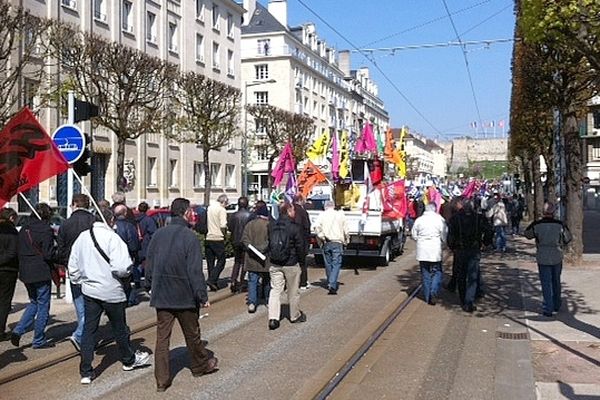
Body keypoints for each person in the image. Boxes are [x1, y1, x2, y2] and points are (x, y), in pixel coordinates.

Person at [68, 207, 150, 384]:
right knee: (119, 328)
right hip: (111, 291)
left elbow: (73, 266)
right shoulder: (113, 238)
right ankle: (128, 360)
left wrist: (81, 280)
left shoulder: (82, 238)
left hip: (90, 291)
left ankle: (86, 371)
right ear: (111, 220)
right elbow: (122, 267)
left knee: (89, 330)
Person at [145, 198, 217, 392]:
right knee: (192, 334)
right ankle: (200, 366)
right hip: (184, 295)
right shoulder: (190, 236)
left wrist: (149, 284)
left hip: (162, 295)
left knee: (162, 339)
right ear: (185, 213)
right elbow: (194, 270)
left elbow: (149, 263)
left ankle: (161, 380)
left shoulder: (158, 235)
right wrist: (202, 296)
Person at [11, 203, 57, 349]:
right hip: (41, 271)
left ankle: (18, 330)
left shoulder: (24, 228)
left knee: (33, 302)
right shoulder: (45, 229)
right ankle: (38, 339)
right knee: (43, 305)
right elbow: (49, 254)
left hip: (26, 272)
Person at [57, 193, 96, 351]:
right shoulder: (94, 221)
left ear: (74, 204)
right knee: (92, 304)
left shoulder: (66, 224)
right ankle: (82, 335)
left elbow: (61, 249)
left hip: (74, 269)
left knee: (80, 304)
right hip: (93, 268)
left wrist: (66, 264)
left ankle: (82, 334)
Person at [524, 202, 572, 317]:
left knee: (546, 283)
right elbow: (568, 238)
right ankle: (556, 303)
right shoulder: (560, 225)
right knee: (556, 280)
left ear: (543, 212)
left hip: (543, 255)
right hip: (556, 254)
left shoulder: (537, 224)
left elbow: (527, 234)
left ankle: (548, 308)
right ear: (554, 212)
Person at [447, 198, 493, 313]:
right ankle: (469, 301)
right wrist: (486, 242)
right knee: (472, 275)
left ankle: (464, 299)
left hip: (460, 250)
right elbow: (489, 231)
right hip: (473, 249)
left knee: (462, 275)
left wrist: (452, 247)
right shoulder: (479, 218)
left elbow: (450, 235)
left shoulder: (455, 219)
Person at [267, 202, 306, 330]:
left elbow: (269, 242)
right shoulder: (295, 227)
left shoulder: (272, 226)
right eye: (293, 210)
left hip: (275, 263)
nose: (294, 212)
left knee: (275, 290)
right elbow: (300, 246)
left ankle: (273, 318)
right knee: (293, 290)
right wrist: (301, 261)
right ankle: (294, 315)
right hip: (291, 263)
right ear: (289, 211)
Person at [411, 203, 448, 305]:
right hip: (435, 248)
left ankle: (427, 296)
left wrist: (420, 240)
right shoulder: (439, 219)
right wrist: (444, 243)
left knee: (425, 273)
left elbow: (414, 234)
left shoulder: (419, 220)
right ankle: (434, 291)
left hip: (422, 250)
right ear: (435, 209)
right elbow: (444, 234)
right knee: (437, 271)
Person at [314, 201, 349, 295]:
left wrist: (321, 236)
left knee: (328, 264)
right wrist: (347, 240)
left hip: (326, 242)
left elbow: (316, 227)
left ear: (325, 207)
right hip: (337, 242)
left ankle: (330, 281)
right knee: (336, 264)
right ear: (333, 206)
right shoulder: (340, 215)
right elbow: (346, 229)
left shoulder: (322, 215)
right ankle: (332, 284)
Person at [242, 203, 271, 313]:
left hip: (252, 257)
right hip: (266, 258)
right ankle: (268, 300)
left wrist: (253, 249)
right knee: (267, 280)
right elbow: (270, 241)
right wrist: (261, 249)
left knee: (252, 281)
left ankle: (252, 303)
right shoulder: (269, 225)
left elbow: (244, 239)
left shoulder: (249, 225)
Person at [114, 204, 141, 306]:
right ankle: (128, 299)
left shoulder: (111, 226)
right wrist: (134, 254)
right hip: (126, 255)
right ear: (125, 213)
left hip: (112, 257)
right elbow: (133, 244)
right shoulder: (128, 226)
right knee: (127, 279)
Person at [227, 196, 252, 293]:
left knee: (237, 261)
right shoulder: (250, 215)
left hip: (235, 240)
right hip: (246, 241)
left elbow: (230, 227)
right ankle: (242, 282)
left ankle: (233, 280)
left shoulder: (233, 215)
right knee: (245, 262)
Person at [0, 208, 18, 341]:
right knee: (5, 301)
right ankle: (0, 330)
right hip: (8, 270)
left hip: (7, 269)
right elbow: (12, 253)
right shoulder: (12, 232)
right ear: (11, 218)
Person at [205, 194, 229, 291]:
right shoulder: (222, 210)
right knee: (221, 261)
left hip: (208, 237)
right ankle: (212, 280)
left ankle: (212, 282)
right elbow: (223, 225)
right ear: (223, 202)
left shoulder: (210, 208)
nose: (226, 205)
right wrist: (225, 234)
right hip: (218, 238)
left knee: (210, 262)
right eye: (226, 203)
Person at [135, 201, 157, 293]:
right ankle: (148, 284)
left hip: (136, 244)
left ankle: (137, 281)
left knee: (137, 264)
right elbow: (153, 233)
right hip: (146, 244)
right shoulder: (149, 220)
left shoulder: (134, 219)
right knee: (148, 265)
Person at [292, 194, 311, 289]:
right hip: (301, 241)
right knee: (302, 263)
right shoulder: (303, 212)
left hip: (290, 241)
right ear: (300, 200)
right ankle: (303, 282)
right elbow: (307, 227)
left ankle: (290, 283)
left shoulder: (289, 210)